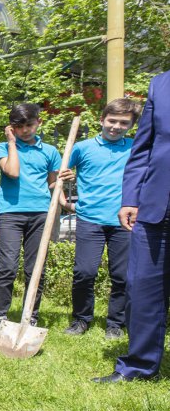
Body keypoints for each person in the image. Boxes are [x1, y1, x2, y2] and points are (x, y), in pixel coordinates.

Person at [93, 72, 170, 383]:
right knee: (142, 289)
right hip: (156, 208)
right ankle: (137, 366)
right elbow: (143, 148)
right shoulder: (161, 84)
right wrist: (131, 197)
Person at [59, 98, 141, 339]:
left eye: (123, 123)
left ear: (131, 125)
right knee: (84, 272)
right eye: (111, 120)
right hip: (89, 218)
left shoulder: (135, 148)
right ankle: (81, 319)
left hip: (124, 222)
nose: (116, 126)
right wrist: (64, 195)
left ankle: (115, 323)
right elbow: (57, 177)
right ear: (102, 120)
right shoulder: (82, 148)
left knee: (123, 276)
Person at [0, 103, 61, 332]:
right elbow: (12, 172)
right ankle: (0, 315)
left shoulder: (50, 151)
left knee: (35, 268)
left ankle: (30, 314)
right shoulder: (2, 147)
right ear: (11, 128)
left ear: (39, 123)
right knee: (8, 266)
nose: (25, 130)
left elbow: (52, 183)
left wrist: (63, 179)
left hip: (41, 213)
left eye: (29, 125)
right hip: (11, 212)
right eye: (19, 127)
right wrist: (12, 143)